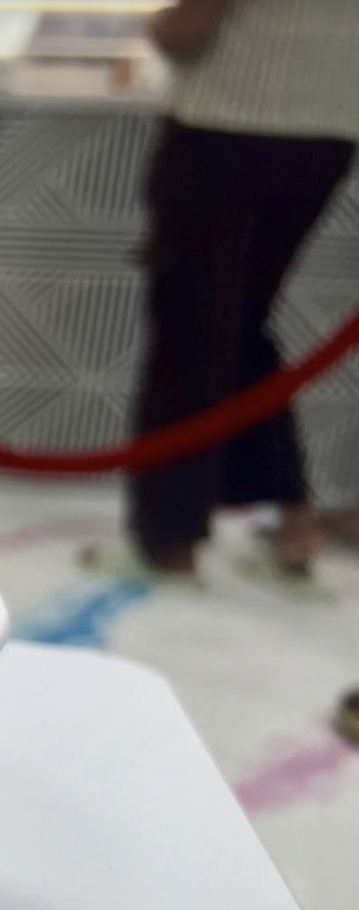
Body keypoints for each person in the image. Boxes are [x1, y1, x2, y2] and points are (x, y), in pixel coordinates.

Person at [127, 0, 359, 578]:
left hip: (223, 127)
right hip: (329, 131)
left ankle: (170, 540)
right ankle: (292, 518)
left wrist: (154, 29)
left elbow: (185, 31)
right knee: (245, 321)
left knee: (190, 333)